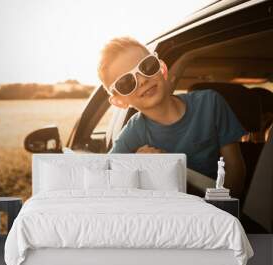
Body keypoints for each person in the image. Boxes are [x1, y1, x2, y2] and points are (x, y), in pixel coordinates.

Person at [97, 37, 246, 196]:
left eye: (147, 66)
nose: (142, 80)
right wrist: (136, 163)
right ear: (120, 101)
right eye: (126, 82)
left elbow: (235, 168)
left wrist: (222, 209)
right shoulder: (134, 132)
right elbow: (106, 180)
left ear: (162, 68)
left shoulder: (210, 103)